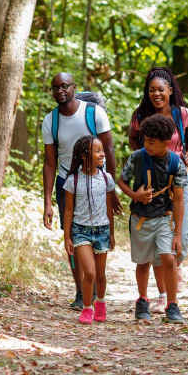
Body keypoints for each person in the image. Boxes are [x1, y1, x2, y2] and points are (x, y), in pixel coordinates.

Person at [128, 67, 188, 310]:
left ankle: (173, 269)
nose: (156, 94)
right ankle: (164, 295)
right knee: (157, 237)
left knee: (181, 237)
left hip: (178, 179)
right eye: (152, 90)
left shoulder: (183, 114)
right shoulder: (140, 115)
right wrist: (142, 158)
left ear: (170, 90)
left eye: (161, 89)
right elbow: (132, 139)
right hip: (152, 181)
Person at [41, 72, 117, 309]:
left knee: (97, 232)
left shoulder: (94, 114)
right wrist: (47, 202)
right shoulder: (50, 121)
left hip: (97, 181)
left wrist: (112, 189)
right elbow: (49, 163)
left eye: (65, 86)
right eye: (56, 87)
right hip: (68, 183)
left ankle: (94, 283)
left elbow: (109, 150)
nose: (60, 91)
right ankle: (80, 291)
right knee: (73, 237)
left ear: (74, 87)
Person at [117, 114, 188, 324]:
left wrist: (177, 233)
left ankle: (172, 305)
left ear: (165, 142)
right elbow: (121, 181)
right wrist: (135, 195)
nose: (147, 145)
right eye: (145, 140)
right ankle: (142, 300)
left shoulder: (176, 163)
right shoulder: (137, 158)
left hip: (164, 218)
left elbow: (179, 200)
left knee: (168, 258)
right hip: (141, 219)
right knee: (143, 262)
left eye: (151, 142)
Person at [63, 135, 117, 324]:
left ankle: (100, 302)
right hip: (80, 231)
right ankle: (87, 307)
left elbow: (109, 207)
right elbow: (68, 210)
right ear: (85, 155)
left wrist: (111, 233)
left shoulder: (106, 178)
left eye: (103, 150)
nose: (103, 154)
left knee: (100, 275)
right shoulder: (73, 180)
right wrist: (67, 237)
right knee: (90, 273)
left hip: (102, 230)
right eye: (97, 151)